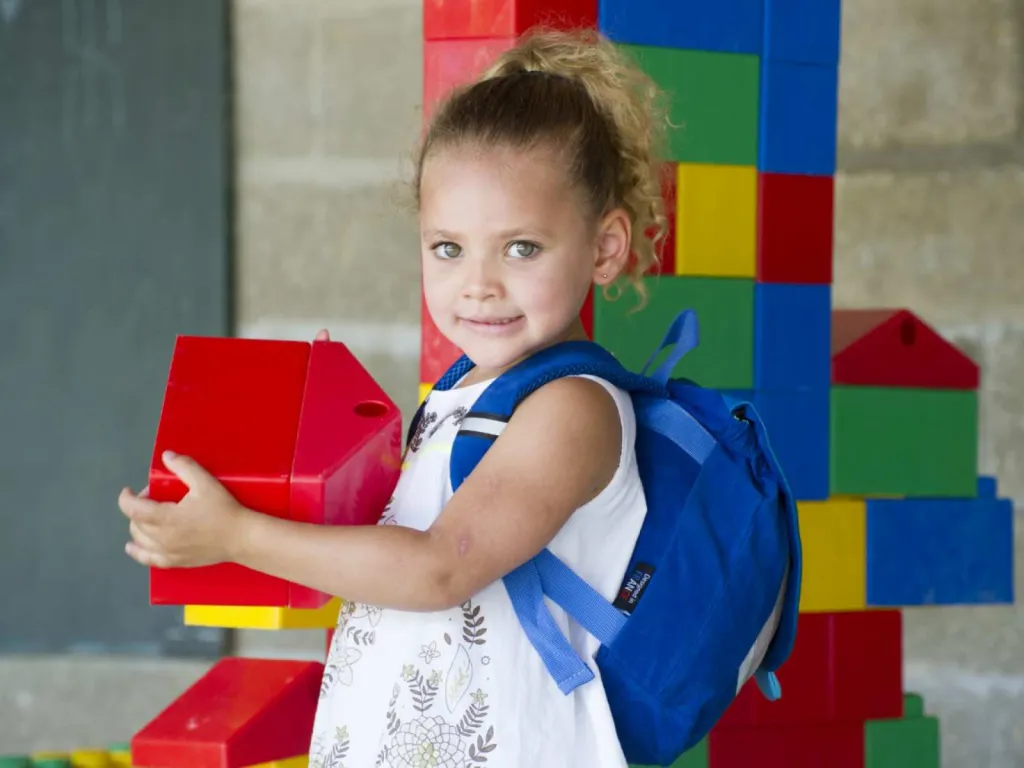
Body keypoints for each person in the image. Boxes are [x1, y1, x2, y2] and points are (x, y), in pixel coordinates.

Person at [118, 27, 670, 767]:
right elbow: (379, 553)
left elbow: (438, 568)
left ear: (603, 249)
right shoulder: (456, 396)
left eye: (522, 248)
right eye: (448, 247)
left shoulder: (573, 408)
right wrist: (311, 447)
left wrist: (236, 535)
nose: (478, 282)